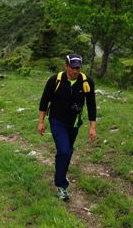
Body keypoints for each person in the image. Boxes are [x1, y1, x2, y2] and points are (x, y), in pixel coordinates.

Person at [38, 53, 97, 201]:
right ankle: (61, 185)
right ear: (66, 66)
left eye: (78, 68)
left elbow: (91, 105)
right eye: (72, 68)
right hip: (57, 120)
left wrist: (92, 127)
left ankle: (61, 171)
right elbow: (44, 101)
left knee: (68, 151)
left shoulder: (86, 82)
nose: (75, 71)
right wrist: (41, 122)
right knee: (64, 151)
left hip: (74, 122)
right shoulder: (55, 80)